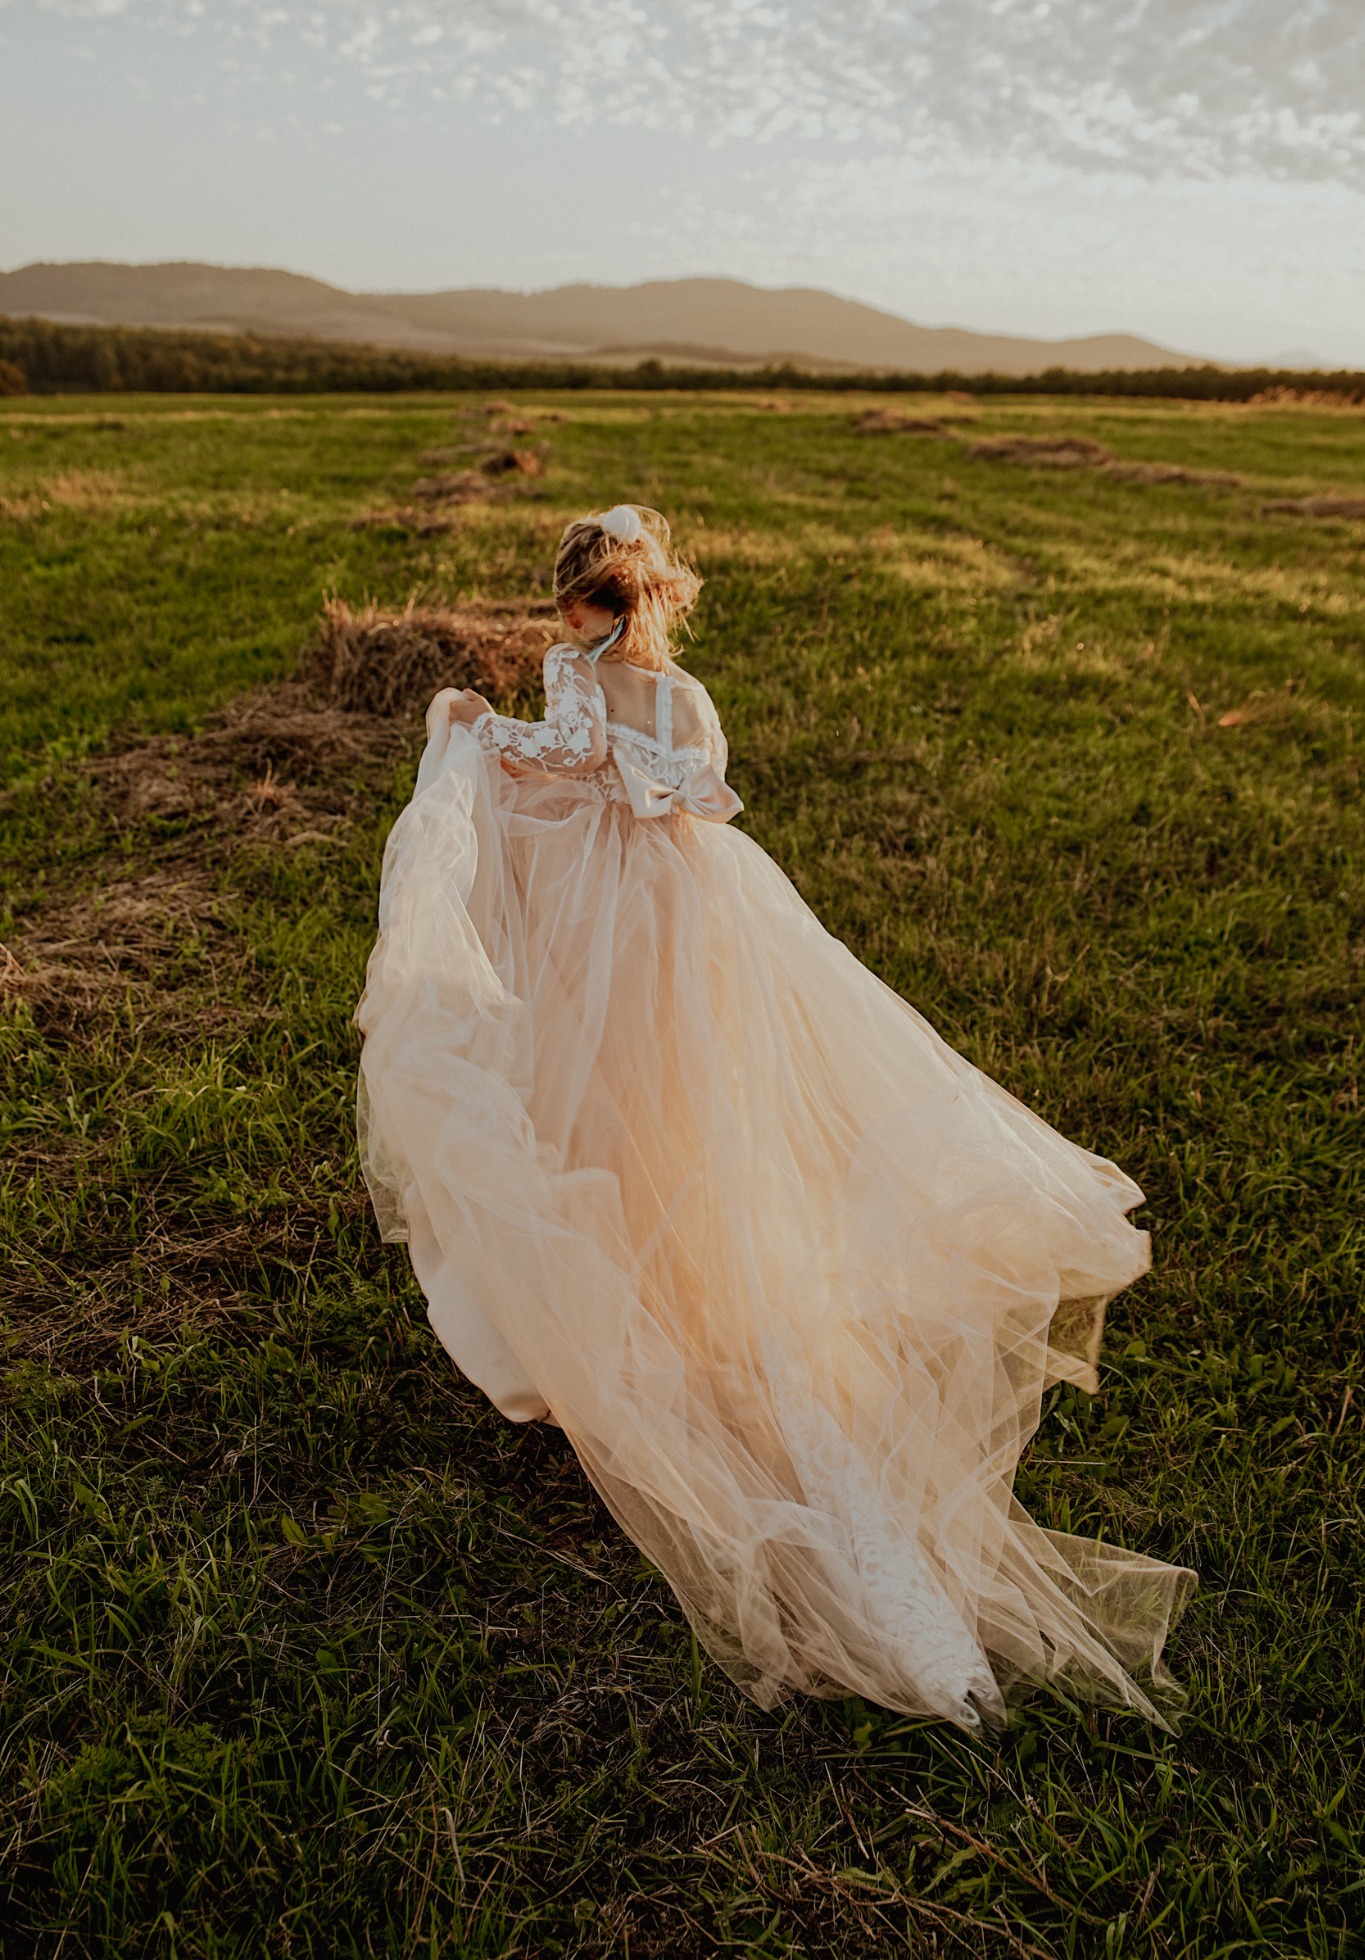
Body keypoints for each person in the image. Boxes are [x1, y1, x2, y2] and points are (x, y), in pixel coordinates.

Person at [356, 503, 1192, 1731]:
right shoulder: (686, 692)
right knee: (706, 1097)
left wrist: (472, 728)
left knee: (609, 1089)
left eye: (570, 608)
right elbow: (709, 788)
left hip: (611, 916)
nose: (566, 627)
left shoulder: (569, 674)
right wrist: (636, 781)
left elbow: (562, 754)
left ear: (591, 604)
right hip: (697, 912)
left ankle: (647, 1290)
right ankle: (711, 1276)